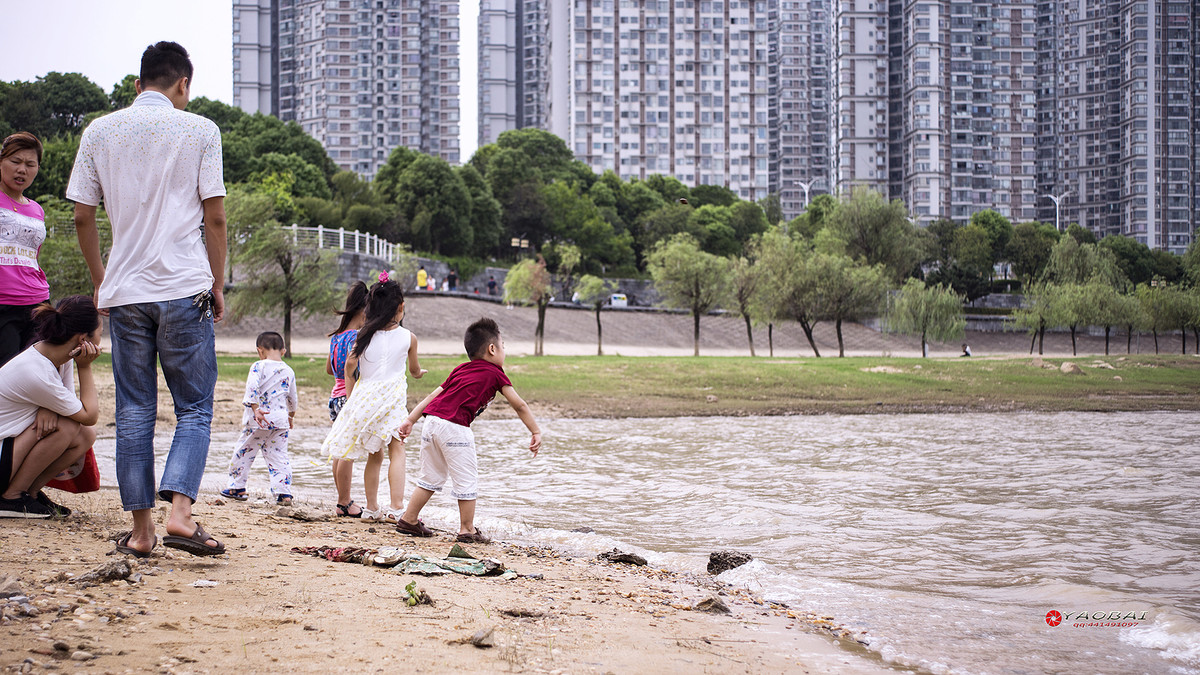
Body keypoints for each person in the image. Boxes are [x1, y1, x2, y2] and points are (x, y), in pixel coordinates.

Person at [67, 41, 228, 557]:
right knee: (196, 407)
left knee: (135, 411)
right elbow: (216, 217)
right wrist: (218, 283)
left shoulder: (99, 131)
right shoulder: (201, 130)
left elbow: (82, 216)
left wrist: (101, 279)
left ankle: (141, 532)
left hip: (128, 291)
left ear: (138, 85)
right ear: (183, 84)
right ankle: (180, 516)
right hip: (184, 286)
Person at [395, 318, 541, 543]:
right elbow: (519, 404)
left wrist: (410, 420)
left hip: (431, 422)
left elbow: (433, 395)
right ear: (492, 349)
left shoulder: (460, 369)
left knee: (430, 475)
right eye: (503, 346)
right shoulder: (495, 372)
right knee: (467, 479)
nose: (504, 351)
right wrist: (535, 431)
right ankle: (466, 529)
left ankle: (409, 519)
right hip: (454, 428)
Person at [321, 273, 427, 522]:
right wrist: (419, 374)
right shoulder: (408, 337)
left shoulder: (363, 335)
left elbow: (348, 368)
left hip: (365, 400)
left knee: (374, 456)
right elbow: (413, 370)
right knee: (397, 450)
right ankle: (397, 507)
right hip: (391, 401)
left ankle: (371, 508)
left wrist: (351, 398)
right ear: (400, 308)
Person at [0, 296, 100, 519]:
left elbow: (72, 407)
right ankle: (12, 497)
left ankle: (29, 494)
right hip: (2, 454)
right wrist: (85, 367)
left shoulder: (54, 357)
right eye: (100, 332)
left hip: (7, 451)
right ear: (83, 339)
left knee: (84, 435)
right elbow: (88, 414)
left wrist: (49, 406)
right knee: (69, 426)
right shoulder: (37, 370)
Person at [221, 332, 296, 505]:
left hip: (259, 418)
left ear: (259, 351)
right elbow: (293, 398)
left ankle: (236, 487)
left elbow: (252, 387)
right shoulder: (289, 370)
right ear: (283, 351)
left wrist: (255, 408)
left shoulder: (258, 366)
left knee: (244, 452)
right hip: (281, 420)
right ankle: (283, 493)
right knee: (279, 456)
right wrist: (291, 416)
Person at [0, 132, 49, 368]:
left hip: (37, 303)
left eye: (30, 164)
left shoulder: (36, 210)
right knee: (6, 380)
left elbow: (32, 257)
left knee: (36, 376)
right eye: (15, 162)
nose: (22, 170)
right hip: (3, 304)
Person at [327, 281, 368, 517]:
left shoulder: (337, 337)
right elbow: (355, 369)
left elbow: (329, 369)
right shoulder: (358, 338)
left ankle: (343, 499)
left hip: (335, 397)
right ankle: (344, 502)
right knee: (348, 452)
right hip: (348, 398)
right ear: (363, 311)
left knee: (340, 450)